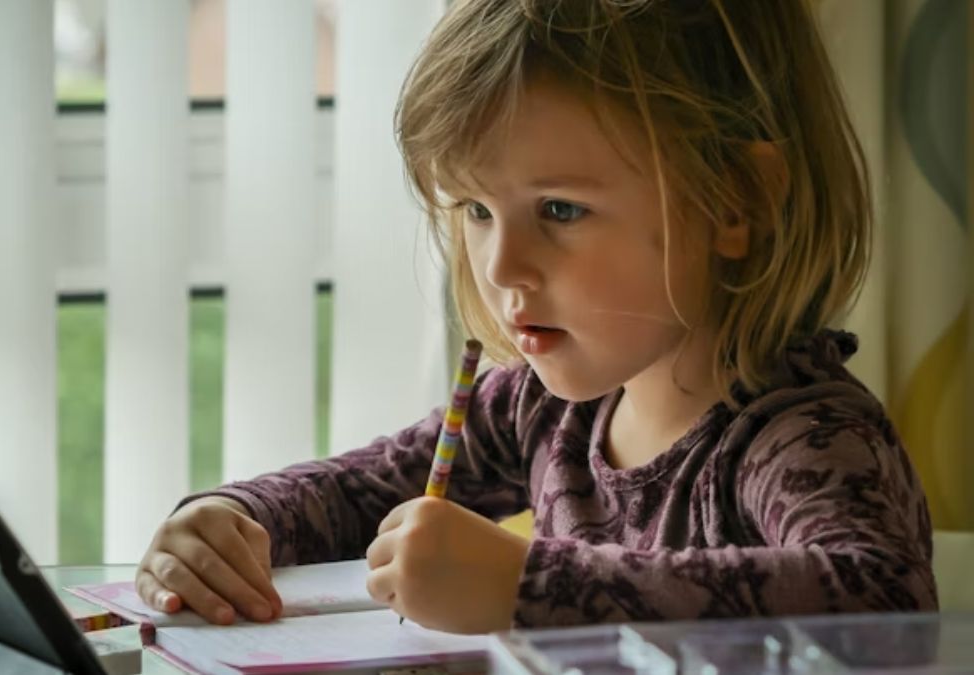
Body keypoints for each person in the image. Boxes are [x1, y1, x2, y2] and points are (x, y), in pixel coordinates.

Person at [135, 0, 937, 634]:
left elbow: (882, 600)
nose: (500, 266)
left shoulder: (802, 435)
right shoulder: (541, 406)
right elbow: (356, 491)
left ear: (737, 202)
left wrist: (528, 584)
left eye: (560, 208)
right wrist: (232, 522)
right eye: (477, 210)